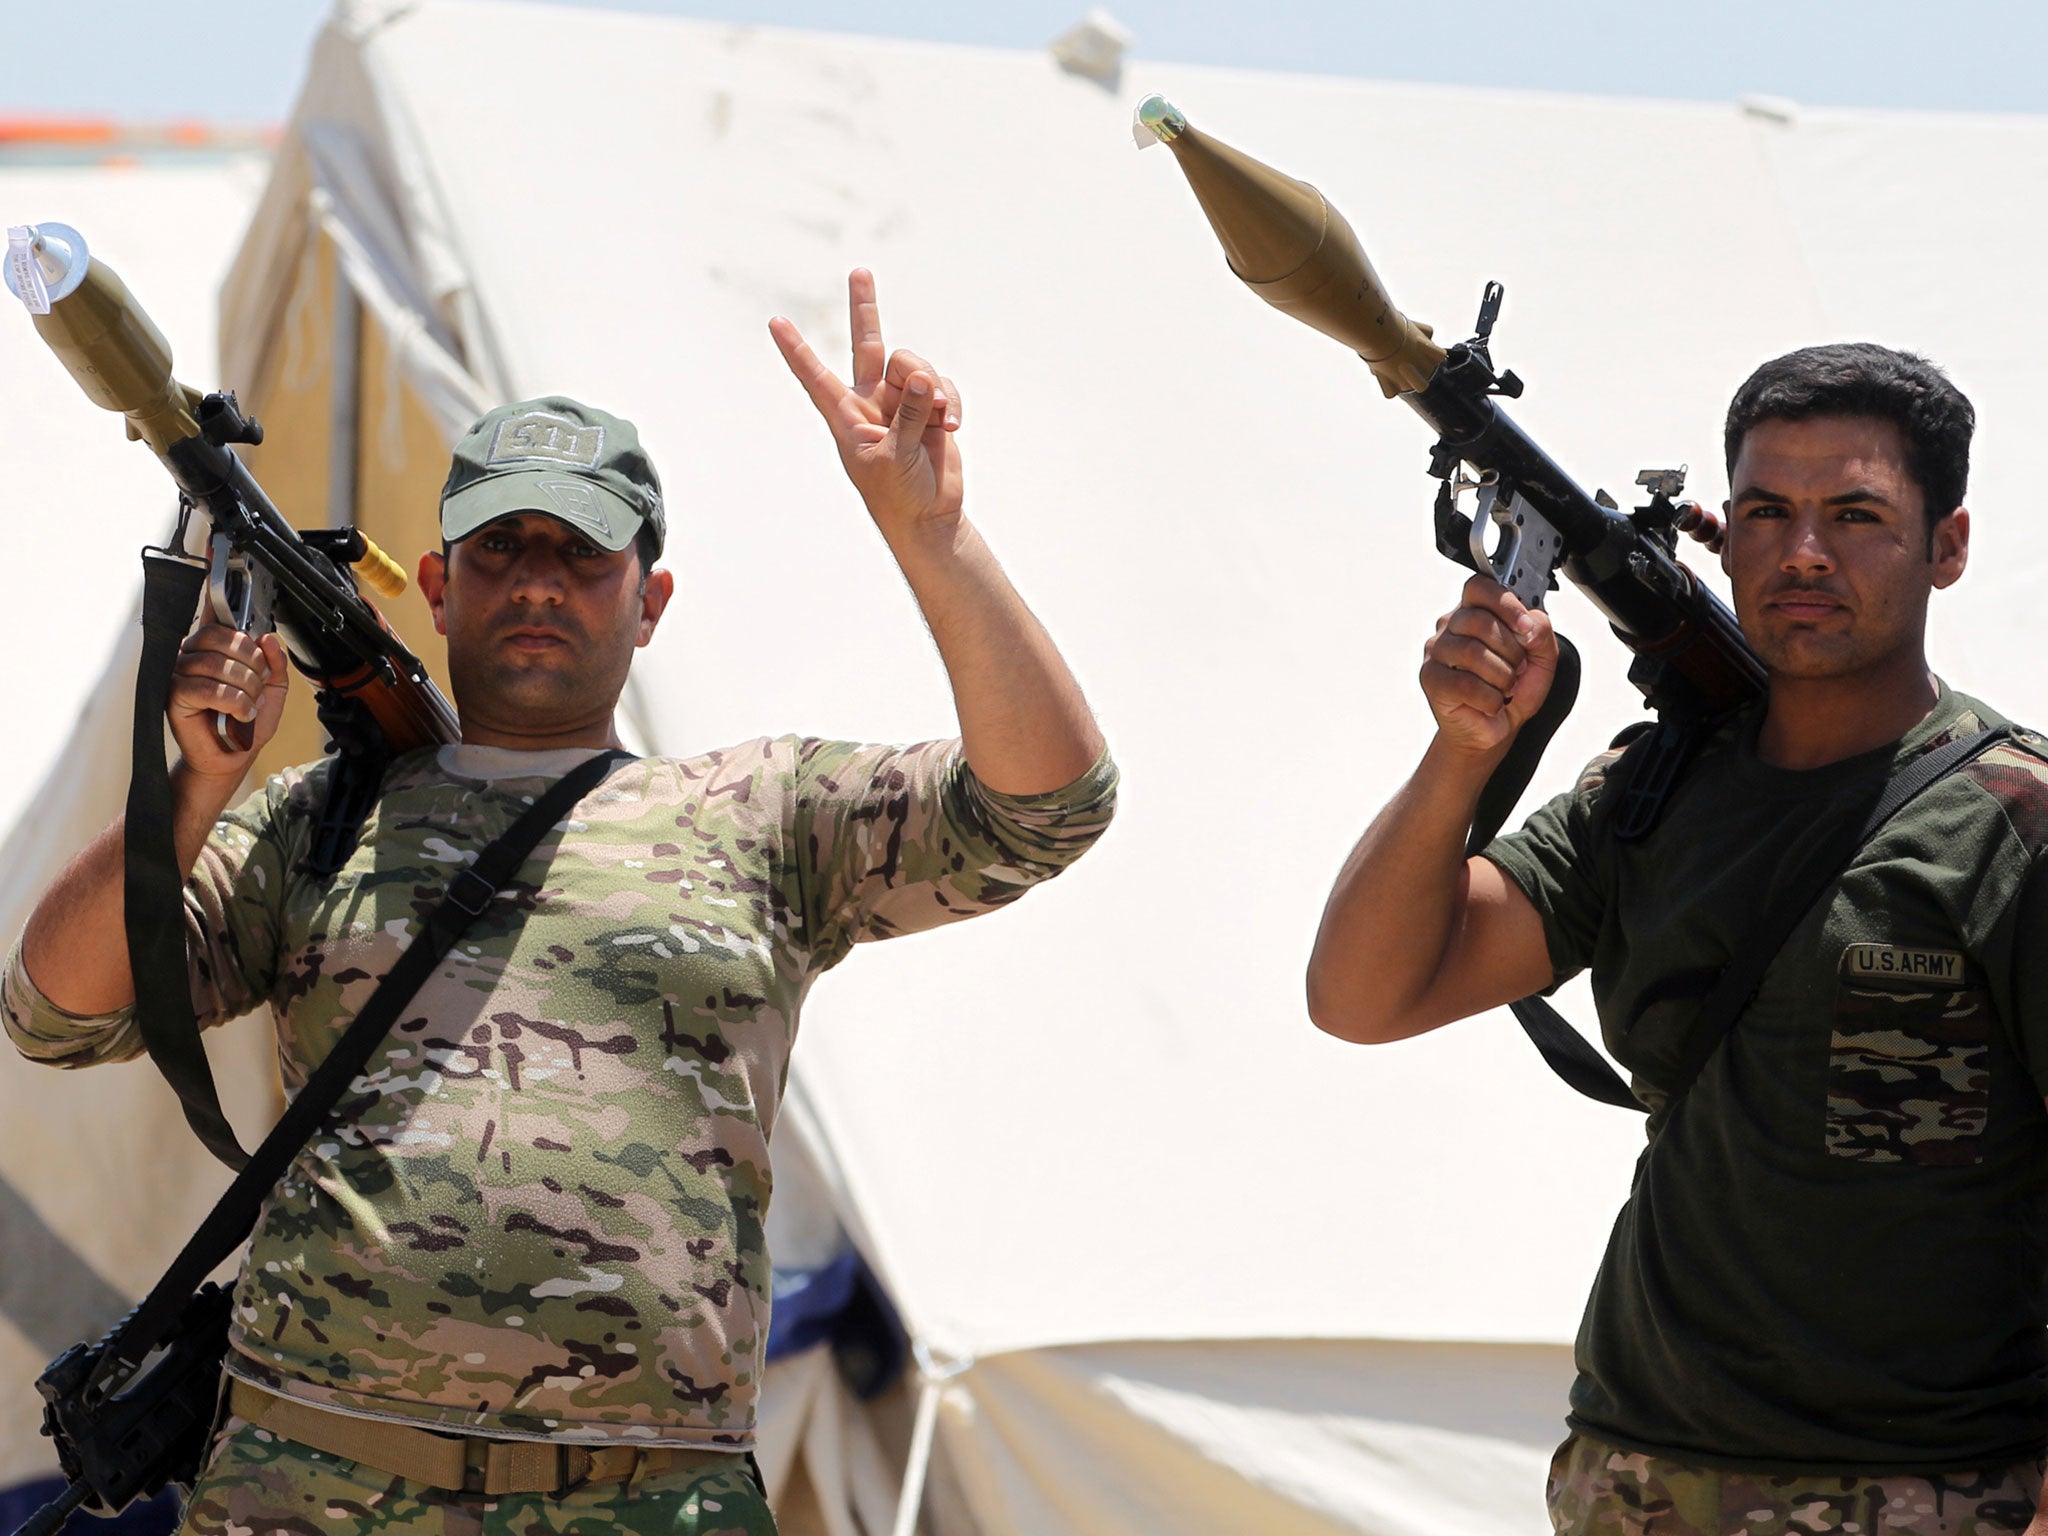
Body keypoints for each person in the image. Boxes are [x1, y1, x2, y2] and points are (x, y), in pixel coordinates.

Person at [2, 270, 1116, 1536]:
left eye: (582, 554)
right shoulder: (323, 814)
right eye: (501, 550)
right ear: (437, 585)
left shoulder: (760, 813)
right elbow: (53, 1008)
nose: (537, 580)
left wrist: (934, 539)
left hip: (646, 1502)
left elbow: (1046, 806)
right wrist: (195, 782)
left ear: (650, 603)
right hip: (312, 1488)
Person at [1305, 342, 2048, 1535]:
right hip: (1634, 1479)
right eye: (1765, 511)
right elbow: (1361, 995)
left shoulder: (2010, 822)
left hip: (1925, 1495)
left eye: (1853, 515)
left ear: (1944, 547)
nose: (1801, 553)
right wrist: (1462, 751)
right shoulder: (1644, 793)